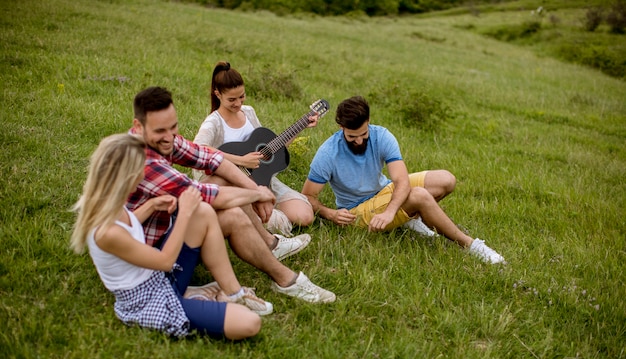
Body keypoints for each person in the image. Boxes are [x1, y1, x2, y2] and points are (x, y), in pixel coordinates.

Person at [128, 86, 336, 303]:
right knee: (232, 213)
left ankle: (271, 248)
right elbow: (204, 194)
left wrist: (254, 188)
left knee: (227, 179)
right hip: (155, 258)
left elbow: (210, 158)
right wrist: (257, 195)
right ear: (138, 126)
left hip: (171, 225)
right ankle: (287, 279)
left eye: (173, 127)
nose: (169, 136)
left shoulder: (159, 139)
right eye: (161, 130)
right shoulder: (143, 162)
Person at [71, 133, 268, 340]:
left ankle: (232, 294)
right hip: (147, 300)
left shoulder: (108, 203)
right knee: (249, 323)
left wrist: (151, 206)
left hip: (157, 279)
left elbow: (127, 224)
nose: (144, 175)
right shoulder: (106, 234)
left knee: (203, 212)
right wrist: (184, 213)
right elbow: (165, 261)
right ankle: (198, 298)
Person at [301, 96, 506, 264]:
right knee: (419, 196)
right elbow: (308, 196)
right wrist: (330, 214)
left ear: (369, 122)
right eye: (352, 137)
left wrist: (390, 212)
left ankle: (406, 218)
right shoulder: (328, 152)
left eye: (363, 134)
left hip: (383, 192)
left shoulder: (382, 136)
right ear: (341, 127)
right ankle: (471, 245)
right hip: (358, 210)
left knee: (446, 180)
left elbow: (401, 180)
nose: (359, 141)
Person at [193, 61, 315, 237]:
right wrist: (241, 160)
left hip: (262, 179)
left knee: (304, 216)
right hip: (233, 183)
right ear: (217, 94)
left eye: (241, 96)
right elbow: (198, 150)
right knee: (278, 222)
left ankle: (270, 216)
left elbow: (269, 148)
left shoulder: (248, 112)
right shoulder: (214, 122)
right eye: (232, 99)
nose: (238, 103)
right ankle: (262, 222)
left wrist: (302, 126)